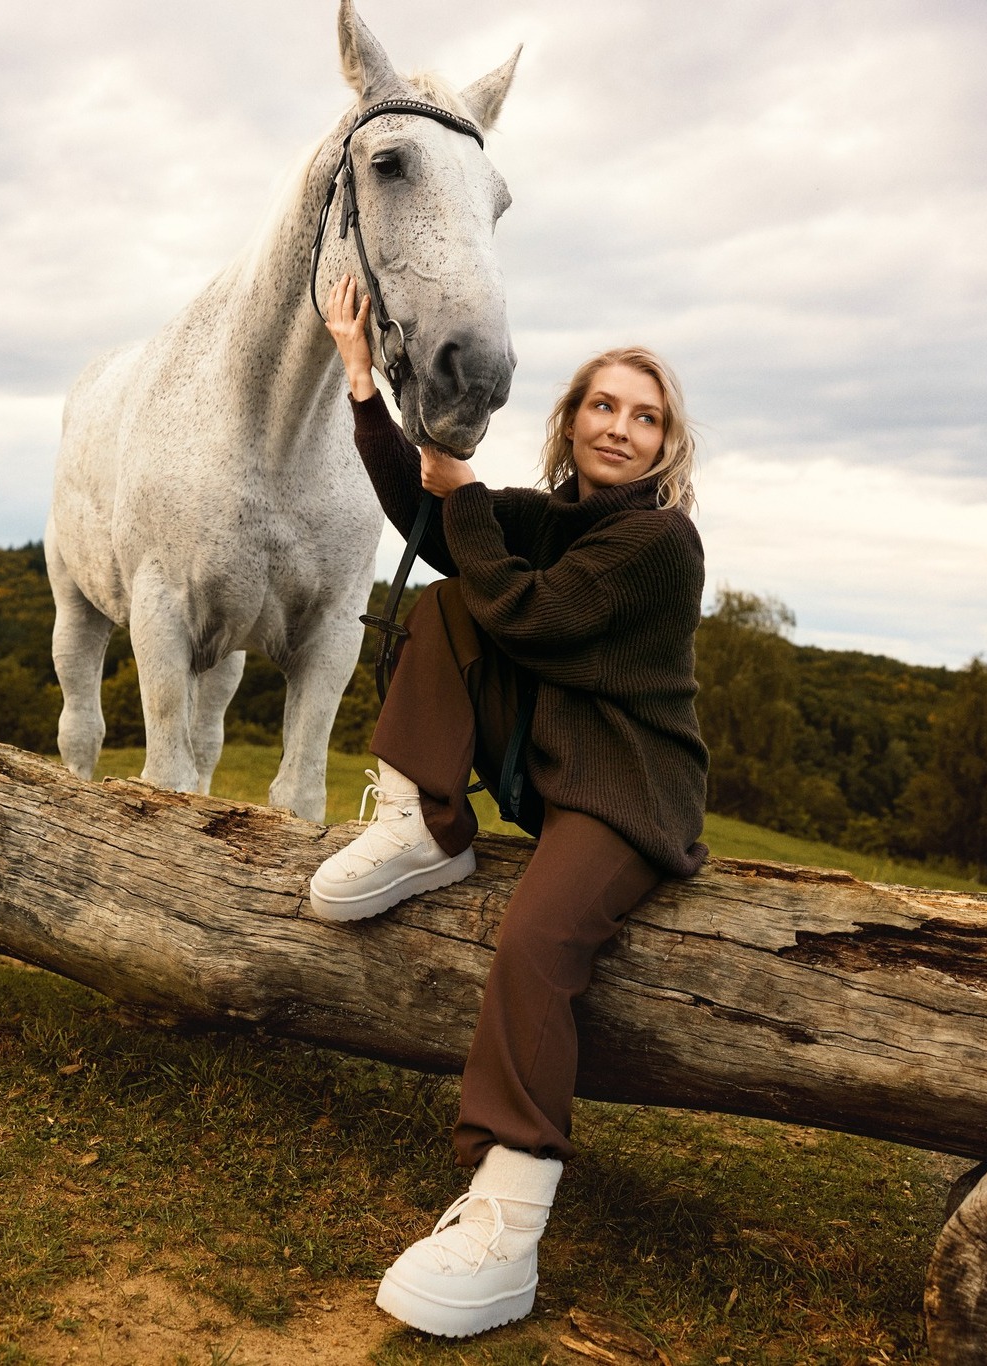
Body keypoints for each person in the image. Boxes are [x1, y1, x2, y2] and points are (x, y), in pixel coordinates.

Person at [310, 272, 710, 1339]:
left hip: (627, 791)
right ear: (571, 420)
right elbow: (433, 523)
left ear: (665, 443)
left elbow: (532, 616)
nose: (619, 427)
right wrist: (362, 381)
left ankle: (507, 1217)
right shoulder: (555, 518)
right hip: (552, 764)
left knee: (535, 942)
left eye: (644, 416)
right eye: (602, 405)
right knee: (447, 601)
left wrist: (468, 498)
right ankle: (425, 826)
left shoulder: (658, 544)